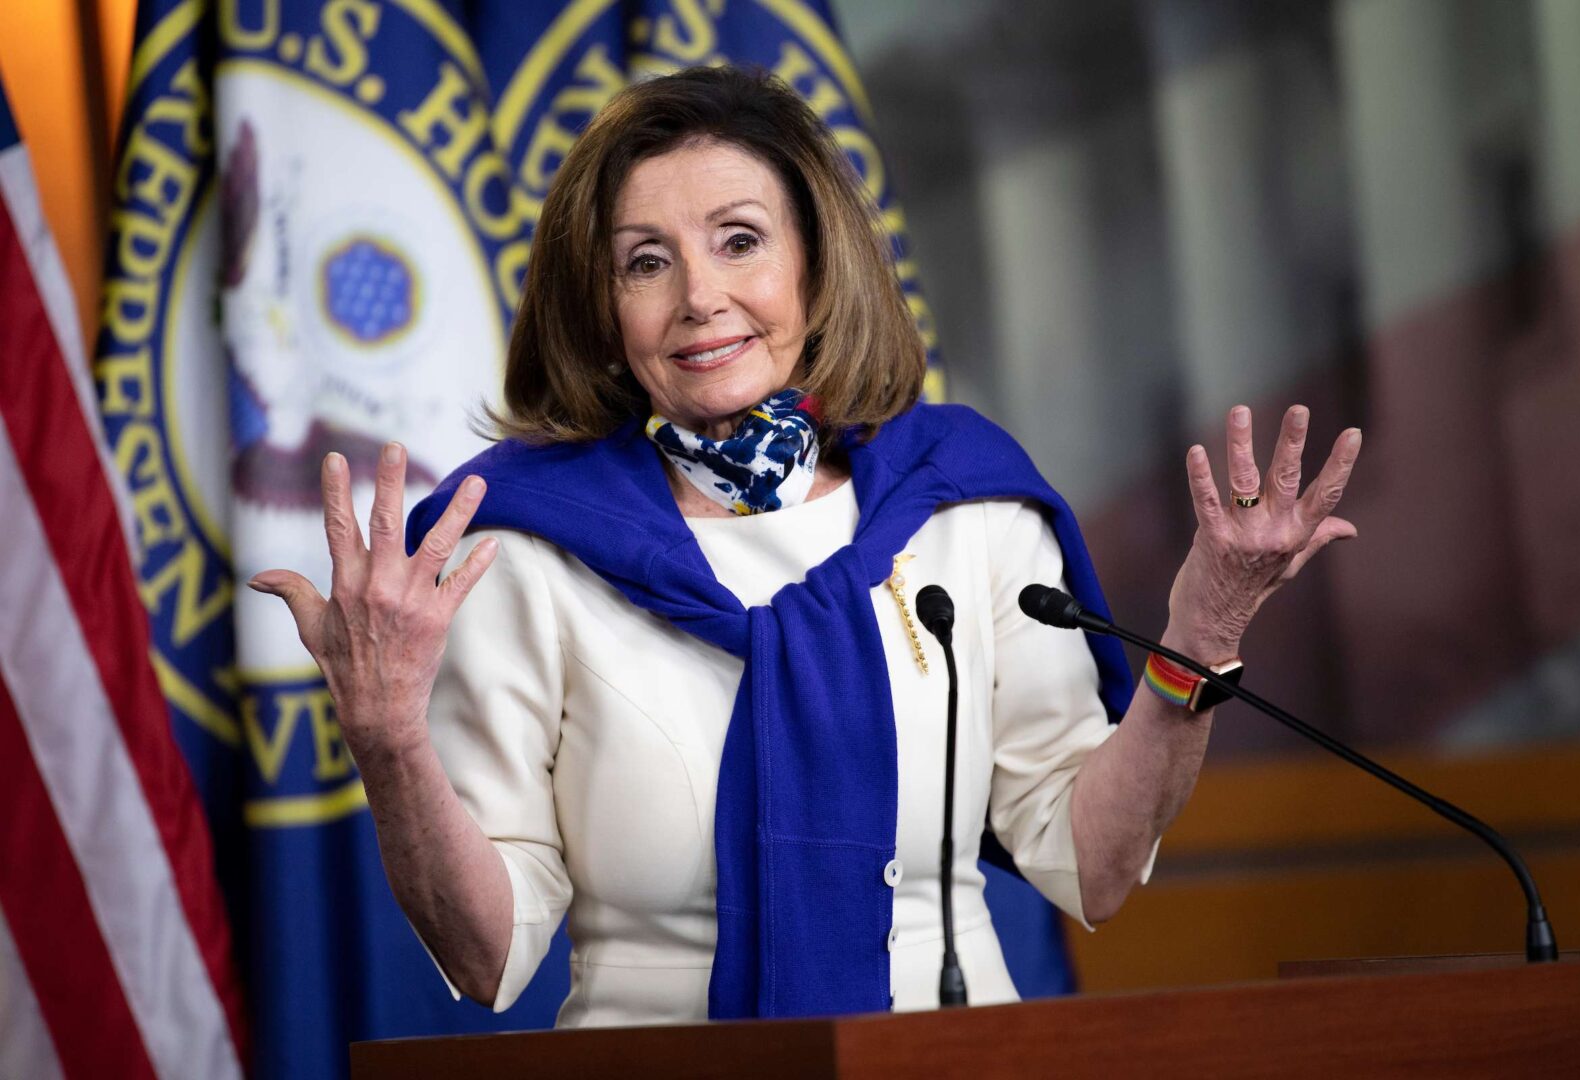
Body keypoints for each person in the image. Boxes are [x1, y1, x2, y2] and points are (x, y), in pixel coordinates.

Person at [248, 66, 1361, 1027]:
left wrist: (1201, 631)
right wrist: (388, 736)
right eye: (645, 261)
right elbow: (486, 955)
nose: (701, 297)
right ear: (602, 305)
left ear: (814, 269)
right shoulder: (527, 552)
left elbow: (1095, 866)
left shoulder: (961, 507)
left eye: (740, 241)